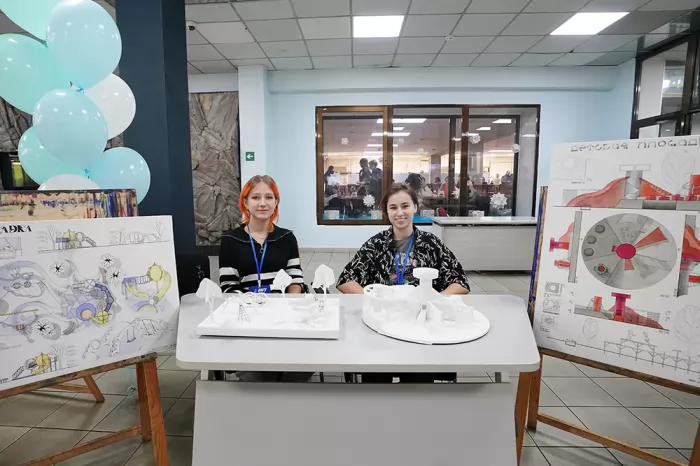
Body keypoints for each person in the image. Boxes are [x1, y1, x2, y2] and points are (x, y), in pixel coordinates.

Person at [337, 183, 470, 383]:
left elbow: (460, 282)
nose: (400, 213)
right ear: (386, 212)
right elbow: (346, 280)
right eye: (393, 207)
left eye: (405, 206)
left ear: (415, 207)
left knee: (417, 381)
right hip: (382, 327)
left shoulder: (431, 244)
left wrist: (434, 301)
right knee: (376, 377)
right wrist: (374, 300)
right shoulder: (376, 244)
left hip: (421, 327)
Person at [218, 175, 311, 382]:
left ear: (276, 202)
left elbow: (296, 279)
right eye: (255, 197)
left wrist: (288, 305)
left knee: (302, 367)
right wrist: (257, 309)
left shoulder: (287, 238)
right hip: (248, 318)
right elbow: (228, 287)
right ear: (245, 202)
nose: (262, 203)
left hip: (283, 316)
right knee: (257, 374)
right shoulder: (230, 240)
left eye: (269, 197)